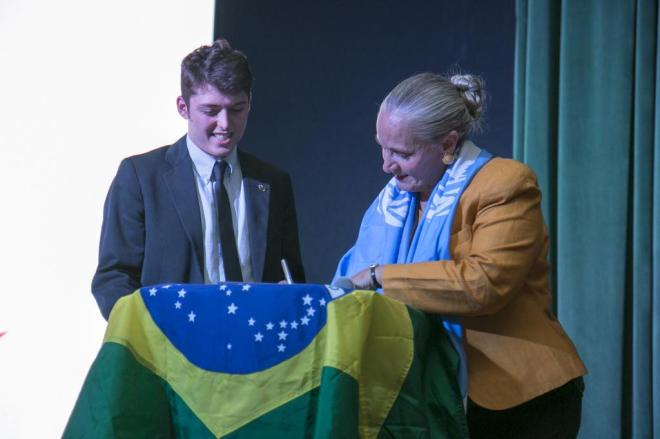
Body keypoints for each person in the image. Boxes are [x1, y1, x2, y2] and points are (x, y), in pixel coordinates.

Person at [335, 72, 586, 438]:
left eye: (402, 153)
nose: (386, 166)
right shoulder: (394, 201)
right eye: (382, 147)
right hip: (427, 397)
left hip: (518, 401)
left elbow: (482, 284)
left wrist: (380, 276)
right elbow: (349, 282)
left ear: (448, 144)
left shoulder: (505, 183)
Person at [92, 39, 305, 320]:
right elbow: (114, 278)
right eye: (211, 111)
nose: (226, 124)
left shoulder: (274, 182)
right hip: (170, 353)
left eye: (237, 109)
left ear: (250, 103)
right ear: (183, 107)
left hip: (254, 352)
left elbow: (292, 278)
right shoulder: (141, 178)